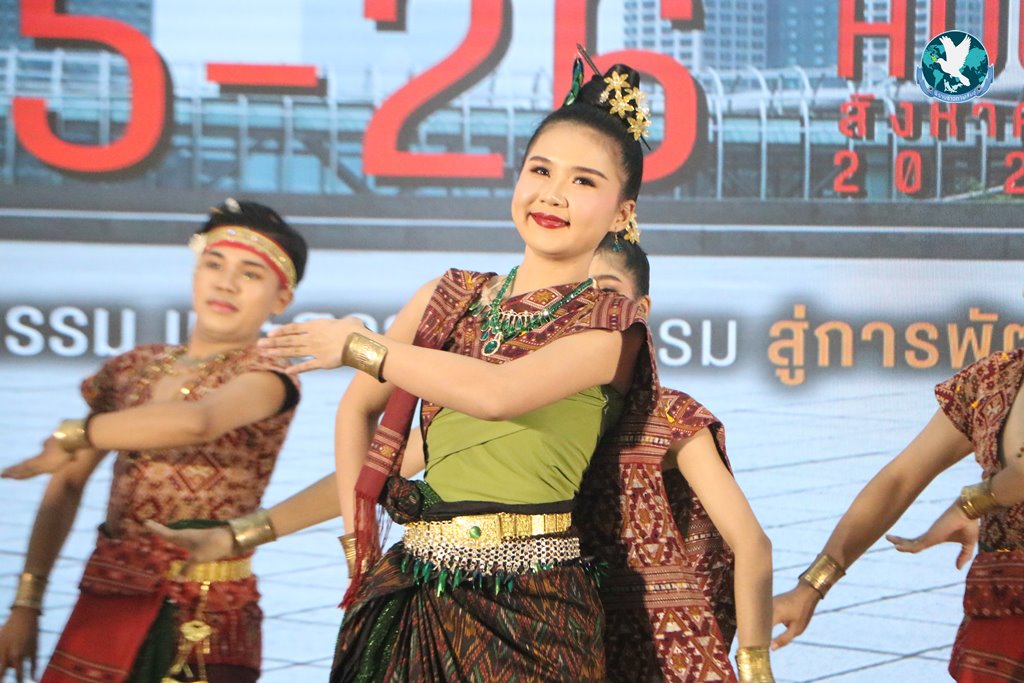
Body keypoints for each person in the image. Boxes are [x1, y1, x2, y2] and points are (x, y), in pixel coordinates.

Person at [153, 233, 774, 681]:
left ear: (638, 314)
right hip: (434, 601)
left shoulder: (664, 420)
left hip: (567, 622)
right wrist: (241, 534)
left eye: (602, 295)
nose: (577, 311)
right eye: (567, 295)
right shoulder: (489, 408)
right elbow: (379, 469)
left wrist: (755, 665)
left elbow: (750, 543)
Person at [0, 199, 308, 683]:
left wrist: (77, 434)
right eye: (214, 265)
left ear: (281, 299)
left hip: (205, 607)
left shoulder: (267, 375)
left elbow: (199, 421)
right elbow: (67, 484)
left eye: (250, 274)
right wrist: (26, 603)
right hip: (105, 600)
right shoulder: (131, 368)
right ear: (195, 272)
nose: (226, 283)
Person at [772, 348, 1024, 682]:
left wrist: (969, 504)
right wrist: (811, 587)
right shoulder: (995, 378)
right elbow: (900, 479)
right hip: (999, 617)